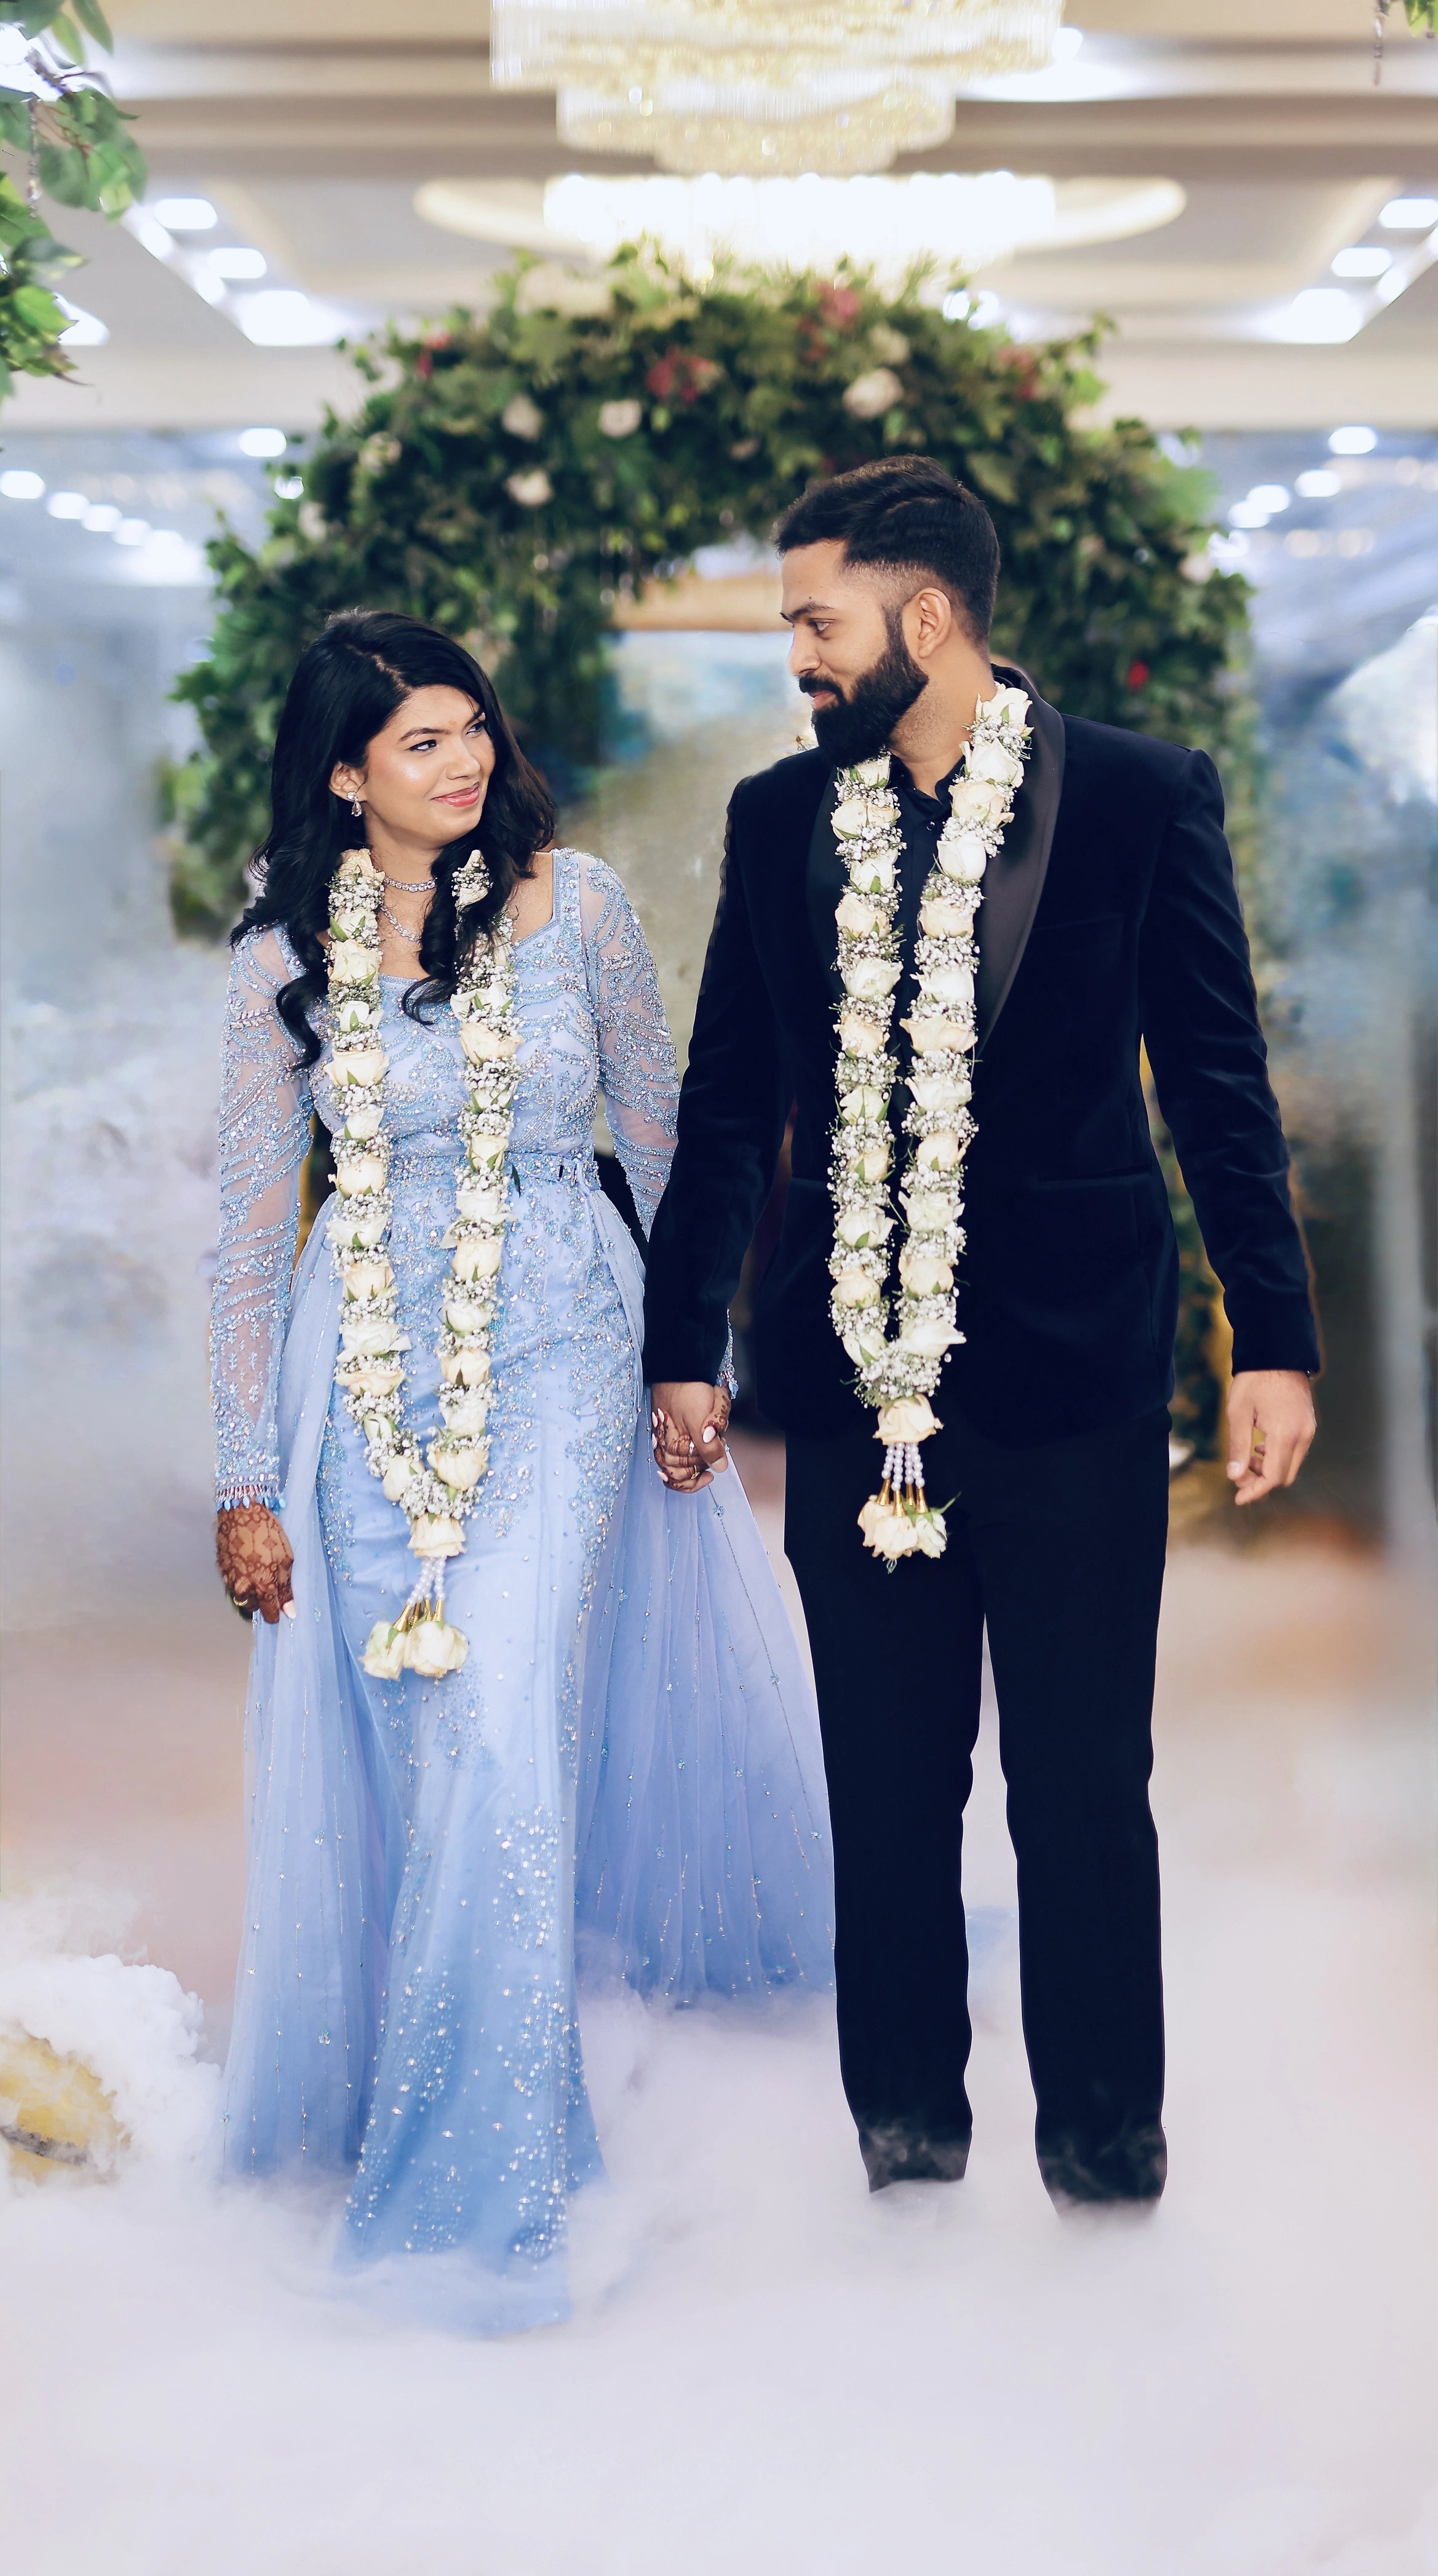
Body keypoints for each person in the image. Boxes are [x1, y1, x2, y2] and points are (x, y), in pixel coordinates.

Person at [645, 458, 1319, 2207]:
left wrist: (1273, 1336)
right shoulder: (776, 822)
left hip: (1073, 1369)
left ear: (922, 616)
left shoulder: (1137, 798)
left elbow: (1218, 1085)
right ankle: (903, 2125)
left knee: (1083, 1778)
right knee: (881, 1780)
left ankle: (1105, 2135)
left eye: (814, 618)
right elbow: (729, 1105)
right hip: (850, 1380)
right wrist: (681, 1347)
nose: (792, 652)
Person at [213, 609, 831, 2332]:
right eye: (418, 742)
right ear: (344, 778)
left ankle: (494, 2175)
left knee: (498, 1727)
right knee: (423, 1759)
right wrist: (240, 1473)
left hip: (558, 1343)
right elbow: (251, 1230)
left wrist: (691, 1357)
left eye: (469, 725)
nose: (463, 759)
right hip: (364, 1384)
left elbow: (661, 1137)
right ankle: (432, 2085)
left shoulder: (582, 913)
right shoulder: (278, 954)